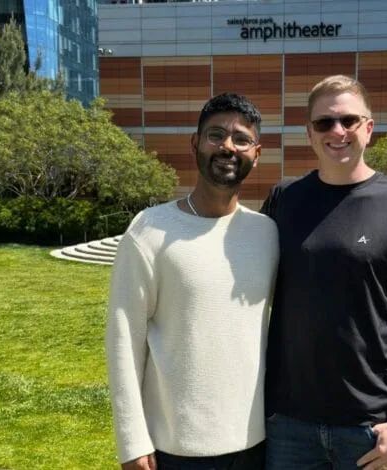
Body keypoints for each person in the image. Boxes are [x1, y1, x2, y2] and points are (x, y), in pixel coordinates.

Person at [261, 75, 387, 470]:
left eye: (348, 120)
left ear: (369, 128)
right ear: (309, 133)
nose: (337, 131)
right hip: (288, 426)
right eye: (324, 123)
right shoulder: (283, 200)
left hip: (372, 429)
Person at [106, 92, 279, 470]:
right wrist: (131, 440)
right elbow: (123, 339)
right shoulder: (149, 229)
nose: (228, 147)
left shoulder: (266, 234)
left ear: (257, 152)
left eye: (241, 139)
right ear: (195, 144)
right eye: (215, 135)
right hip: (174, 448)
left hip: (256, 445)